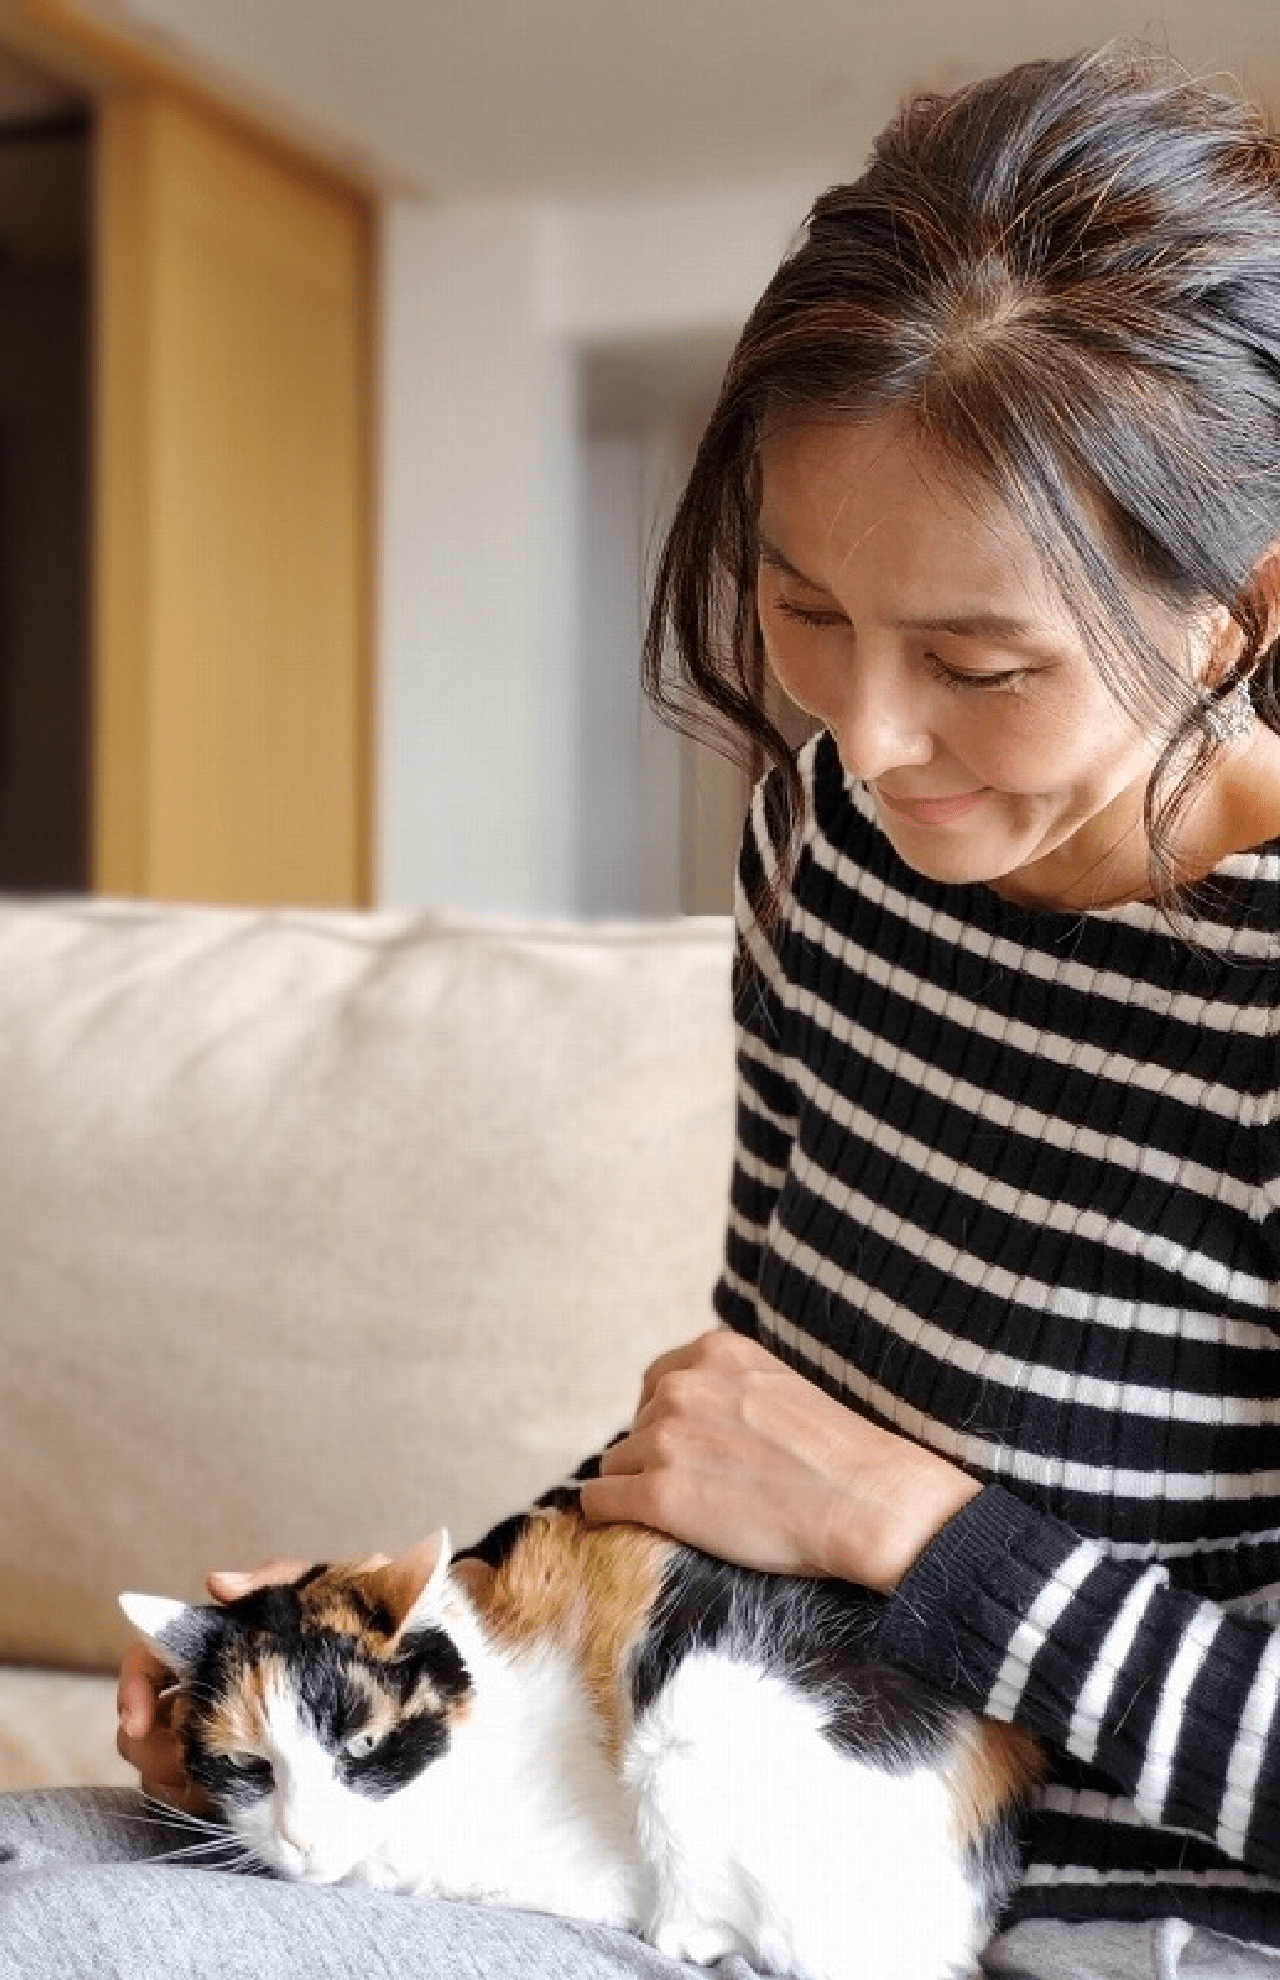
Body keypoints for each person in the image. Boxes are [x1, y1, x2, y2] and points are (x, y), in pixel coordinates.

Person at [6, 37, 1280, 1980]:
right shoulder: (834, 855)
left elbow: (846, 1502)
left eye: (978, 658)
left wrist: (927, 1533)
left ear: (1239, 614)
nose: (865, 732)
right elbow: (729, 1467)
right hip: (681, 1816)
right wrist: (379, 1634)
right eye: (801, 608)